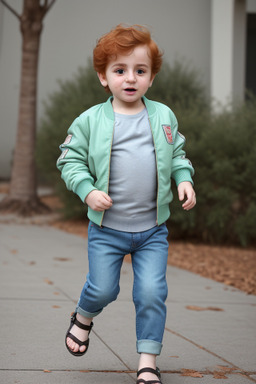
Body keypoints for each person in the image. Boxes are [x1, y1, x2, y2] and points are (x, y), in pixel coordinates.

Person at [57, 24, 196, 384]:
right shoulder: (90, 121)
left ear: (151, 77)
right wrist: (87, 190)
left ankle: (147, 360)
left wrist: (184, 180)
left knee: (151, 293)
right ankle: (83, 317)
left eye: (140, 71)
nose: (130, 79)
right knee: (104, 289)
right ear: (103, 77)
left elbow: (178, 155)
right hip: (107, 230)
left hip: (152, 230)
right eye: (120, 71)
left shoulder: (163, 116)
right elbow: (69, 160)